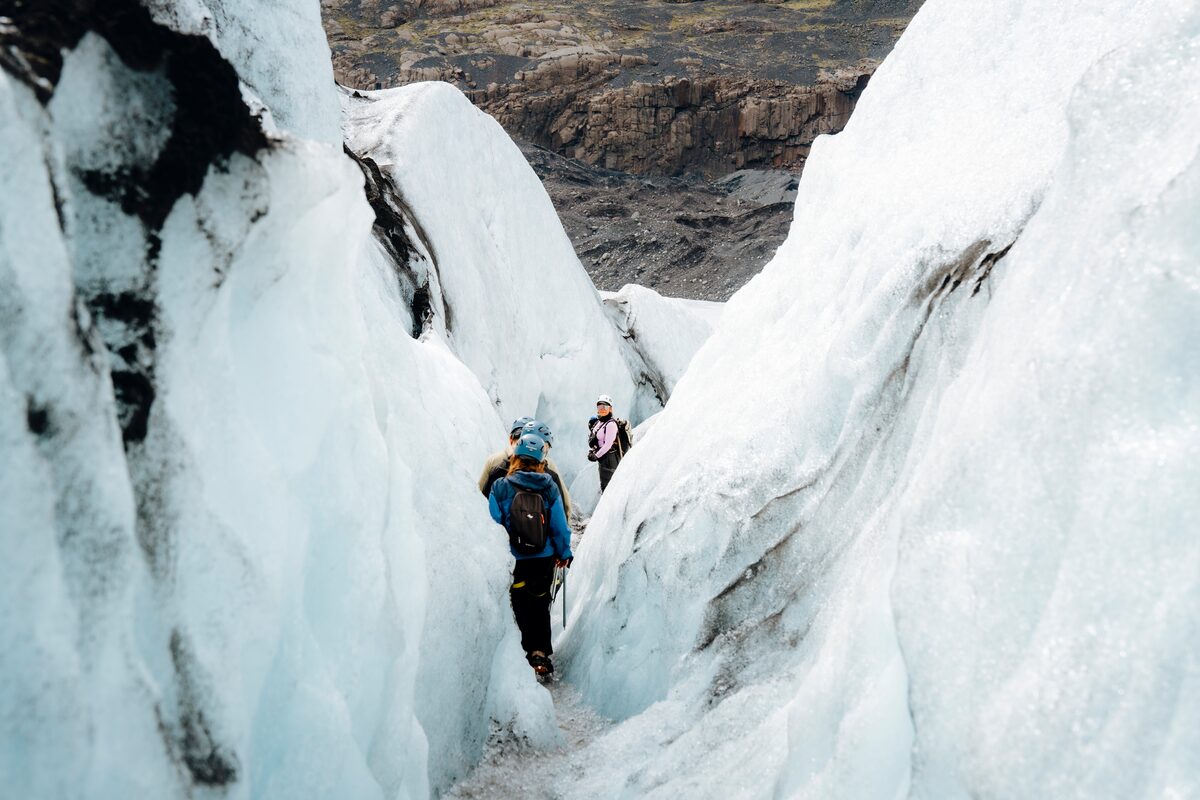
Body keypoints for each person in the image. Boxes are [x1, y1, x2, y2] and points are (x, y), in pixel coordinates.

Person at [488, 432, 573, 676]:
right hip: (543, 559)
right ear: (540, 460)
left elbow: (493, 523)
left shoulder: (500, 487)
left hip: (514, 560)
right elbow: (559, 525)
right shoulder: (548, 486)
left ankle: (519, 653)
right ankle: (540, 653)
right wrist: (564, 552)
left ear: (516, 457)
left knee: (518, 604)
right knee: (539, 602)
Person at [479, 417, 572, 519]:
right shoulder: (548, 466)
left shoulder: (494, 462)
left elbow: (479, 496)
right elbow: (565, 507)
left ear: (511, 439)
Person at [588, 394, 625, 492]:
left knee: (609, 487)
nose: (602, 409)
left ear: (611, 409)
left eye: (605, 406)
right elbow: (595, 437)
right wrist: (592, 450)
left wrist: (596, 455)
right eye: (600, 406)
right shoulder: (600, 422)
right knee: (604, 485)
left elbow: (608, 444)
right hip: (603, 458)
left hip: (610, 459)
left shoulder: (611, 424)